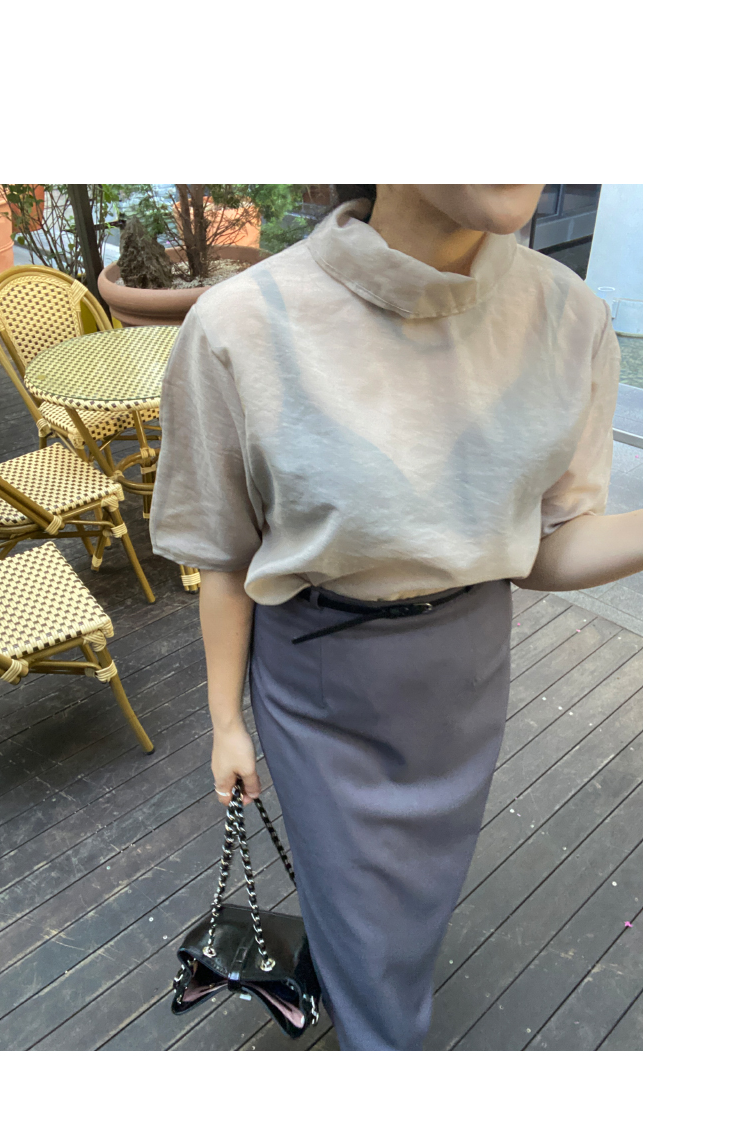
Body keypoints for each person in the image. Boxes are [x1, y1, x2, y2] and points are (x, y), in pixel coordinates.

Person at [149, 184, 643, 1051]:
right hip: (321, 680)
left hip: (466, 672)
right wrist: (226, 722)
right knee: (357, 911)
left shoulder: (572, 317)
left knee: (415, 897)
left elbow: (549, 546)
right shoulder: (241, 324)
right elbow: (223, 554)